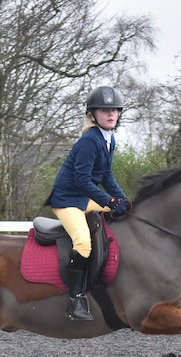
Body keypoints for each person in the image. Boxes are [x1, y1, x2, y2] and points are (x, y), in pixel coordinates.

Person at [45, 86, 131, 321]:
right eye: (104, 110)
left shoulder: (108, 139)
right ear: (93, 115)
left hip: (85, 198)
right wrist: (109, 201)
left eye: (114, 110)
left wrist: (122, 199)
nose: (111, 114)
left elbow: (106, 176)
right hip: (67, 200)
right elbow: (81, 180)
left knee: (125, 214)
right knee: (83, 242)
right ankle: (75, 299)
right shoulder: (90, 141)